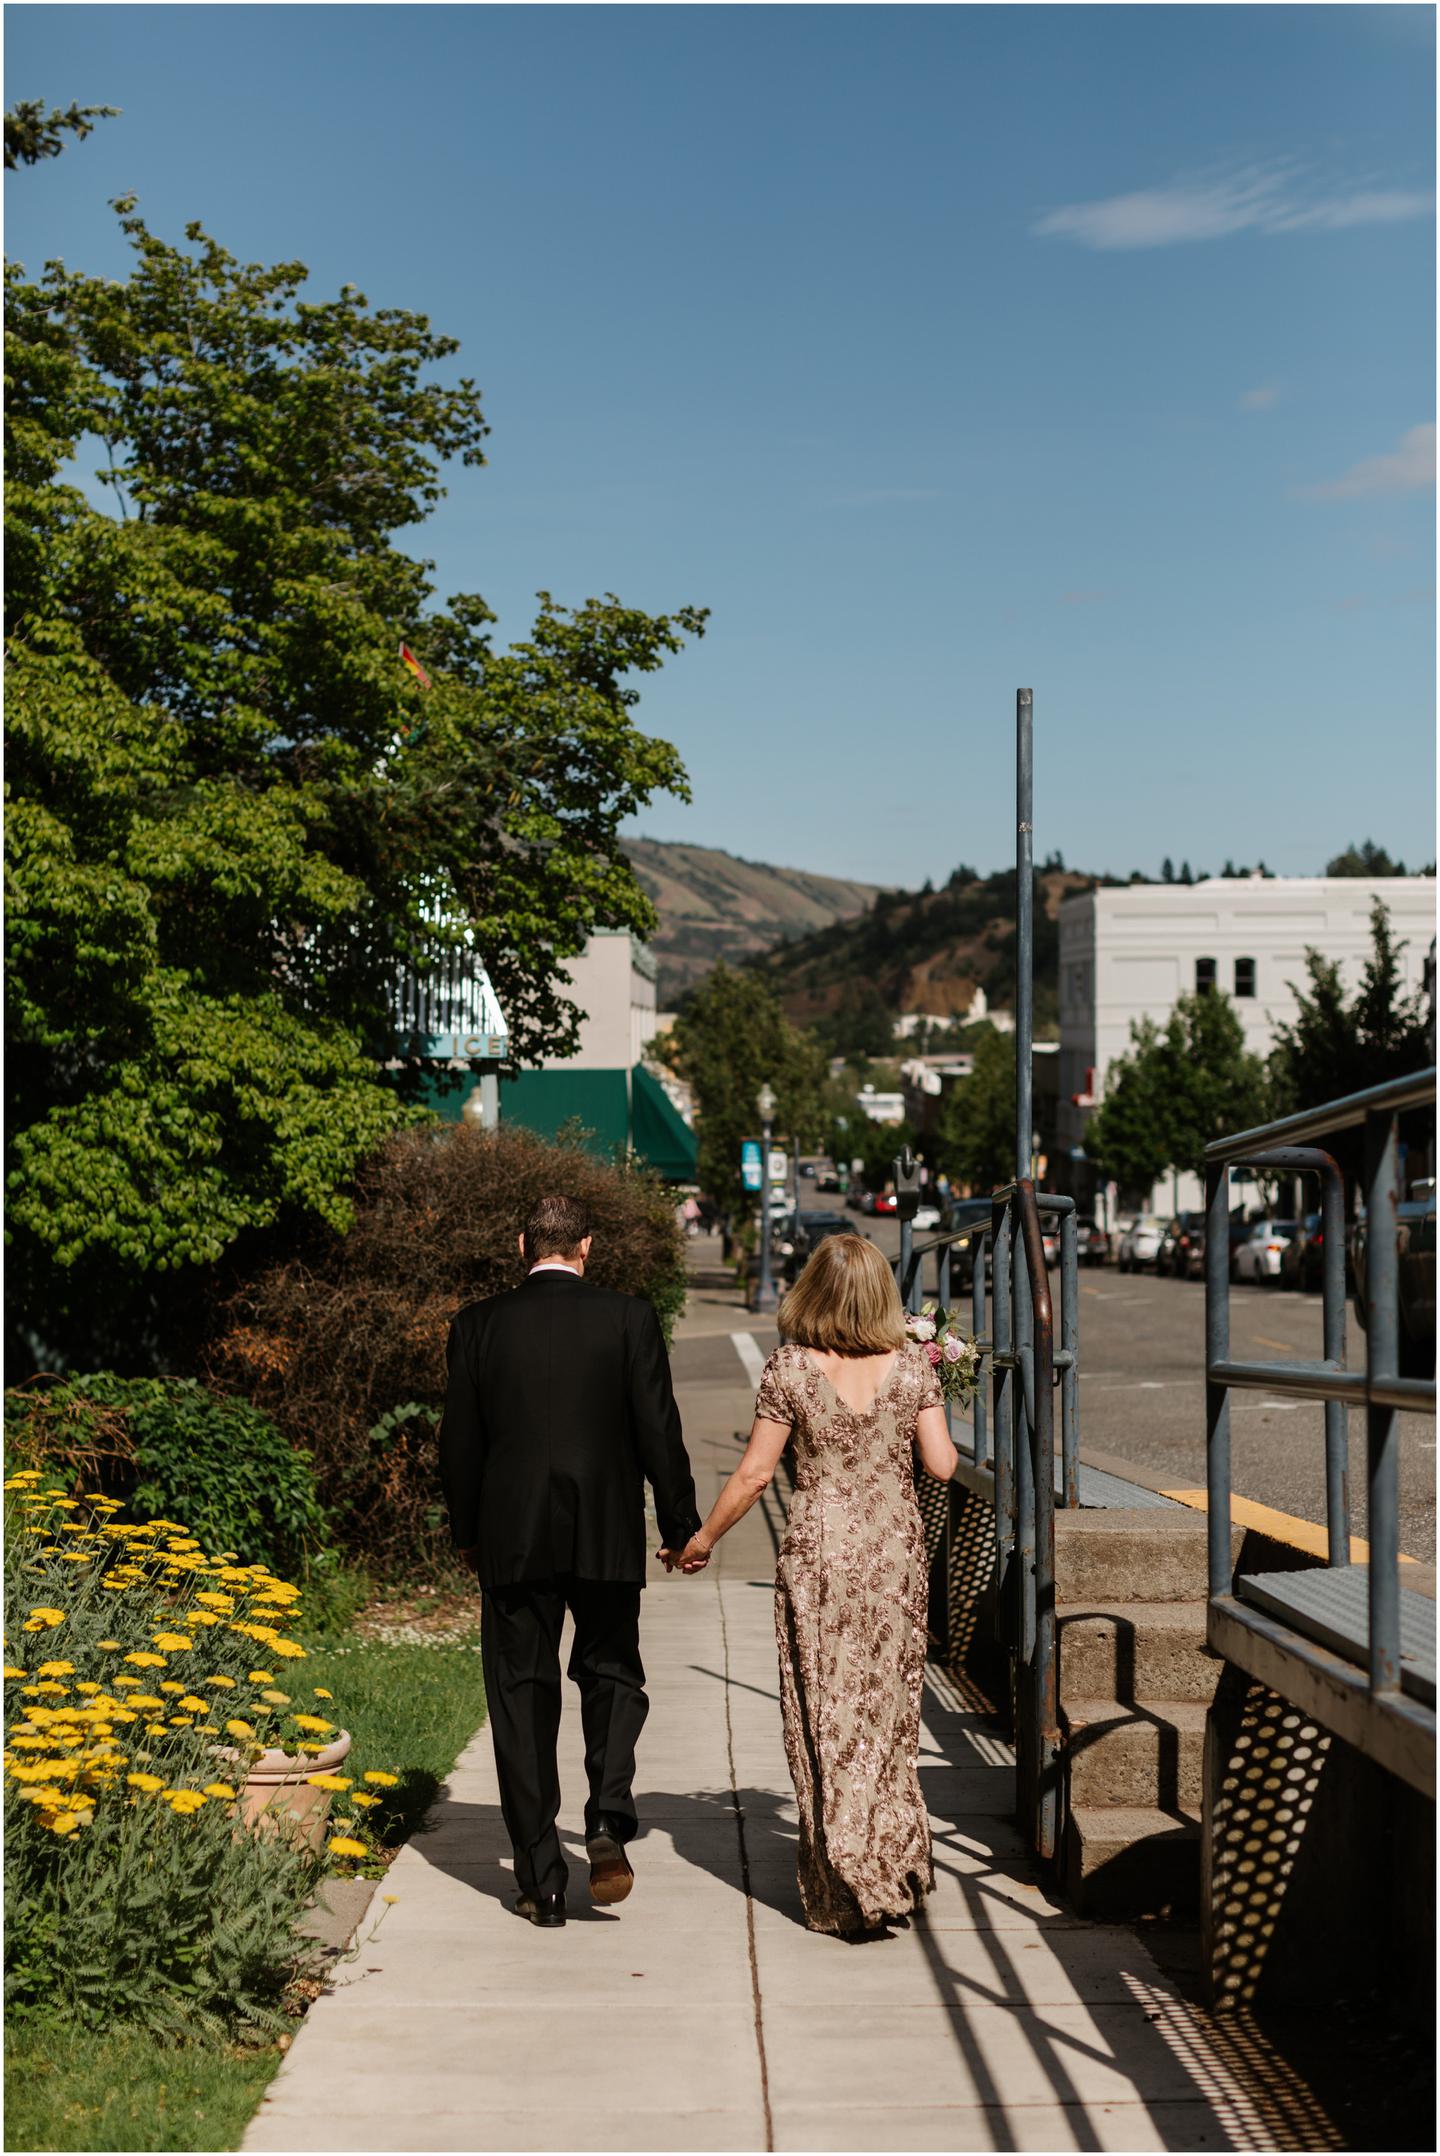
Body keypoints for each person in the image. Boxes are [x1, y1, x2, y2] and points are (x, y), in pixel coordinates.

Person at [661, 1233, 957, 1937]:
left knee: (824, 1713)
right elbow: (942, 1466)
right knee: (887, 1711)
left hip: (822, 1553)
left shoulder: (790, 1370)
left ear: (812, 1292)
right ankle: (892, 1862)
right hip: (892, 1555)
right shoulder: (914, 1366)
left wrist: (702, 1540)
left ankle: (845, 1881)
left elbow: (756, 1475)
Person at [439, 1193, 701, 1930]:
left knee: (521, 1695)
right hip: (605, 1529)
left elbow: (458, 1443)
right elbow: (658, 1428)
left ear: (522, 1243)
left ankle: (540, 1878)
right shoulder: (628, 1318)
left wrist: (467, 1532)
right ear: (587, 1246)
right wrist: (681, 1523)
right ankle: (608, 1820)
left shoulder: (477, 1325)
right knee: (613, 1673)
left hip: (512, 1533)